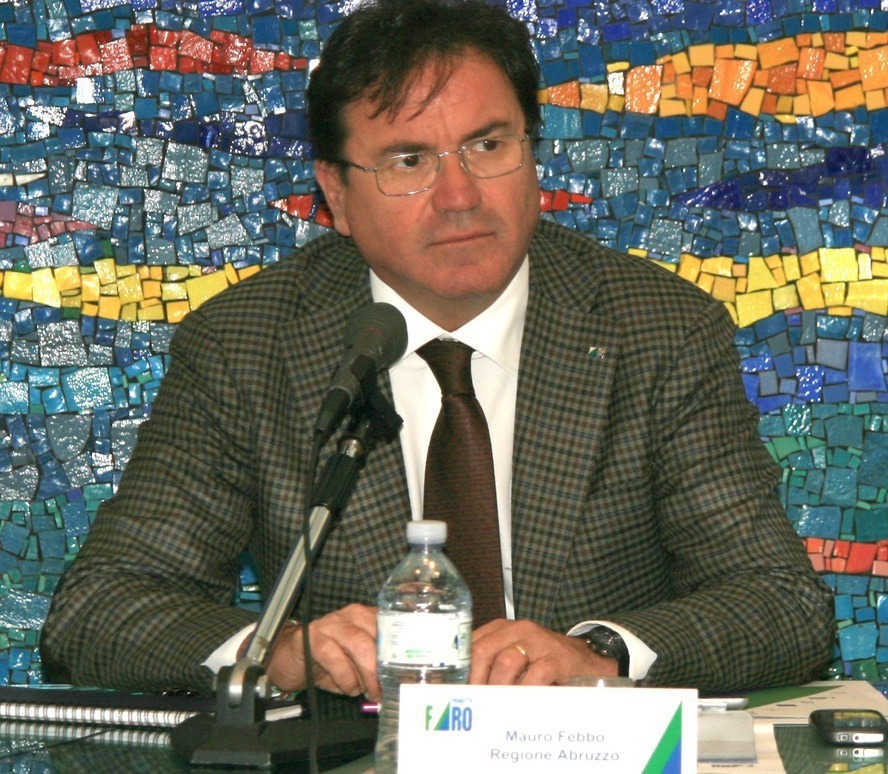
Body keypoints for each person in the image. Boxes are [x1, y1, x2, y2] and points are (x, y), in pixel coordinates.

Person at [41, 0, 835, 701]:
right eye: (409, 161)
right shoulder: (246, 345)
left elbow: (781, 606)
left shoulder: (657, 329)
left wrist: (600, 655)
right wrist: (275, 652)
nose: (459, 197)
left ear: (532, 150)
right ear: (336, 194)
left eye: (487, 146)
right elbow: (98, 610)